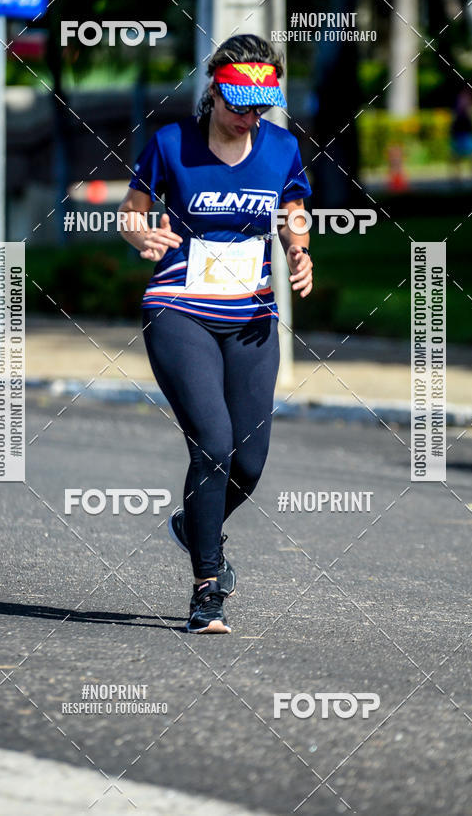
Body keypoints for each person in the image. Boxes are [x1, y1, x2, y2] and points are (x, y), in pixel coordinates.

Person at [118, 34, 313, 633]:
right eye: (237, 104)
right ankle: (207, 589)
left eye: (259, 106)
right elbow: (131, 210)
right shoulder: (171, 143)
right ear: (214, 91)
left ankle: (194, 521)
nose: (247, 117)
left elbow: (293, 210)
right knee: (213, 442)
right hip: (180, 310)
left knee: (248, 463)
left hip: (252, 318)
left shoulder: (281, 148)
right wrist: (139, 234)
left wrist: (299, 249)